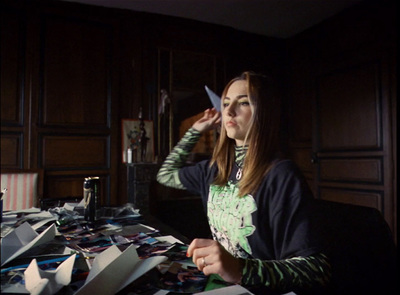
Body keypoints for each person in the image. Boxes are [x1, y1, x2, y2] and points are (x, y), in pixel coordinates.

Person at [157, 71, 331, 294]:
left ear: (263, 113)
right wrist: (195, 130)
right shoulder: (214, 168)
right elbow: (165, 174)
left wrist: (241, 269)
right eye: (226, 103)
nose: (228, 111)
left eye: (244, 102)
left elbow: (317, 269)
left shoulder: (281, 175)